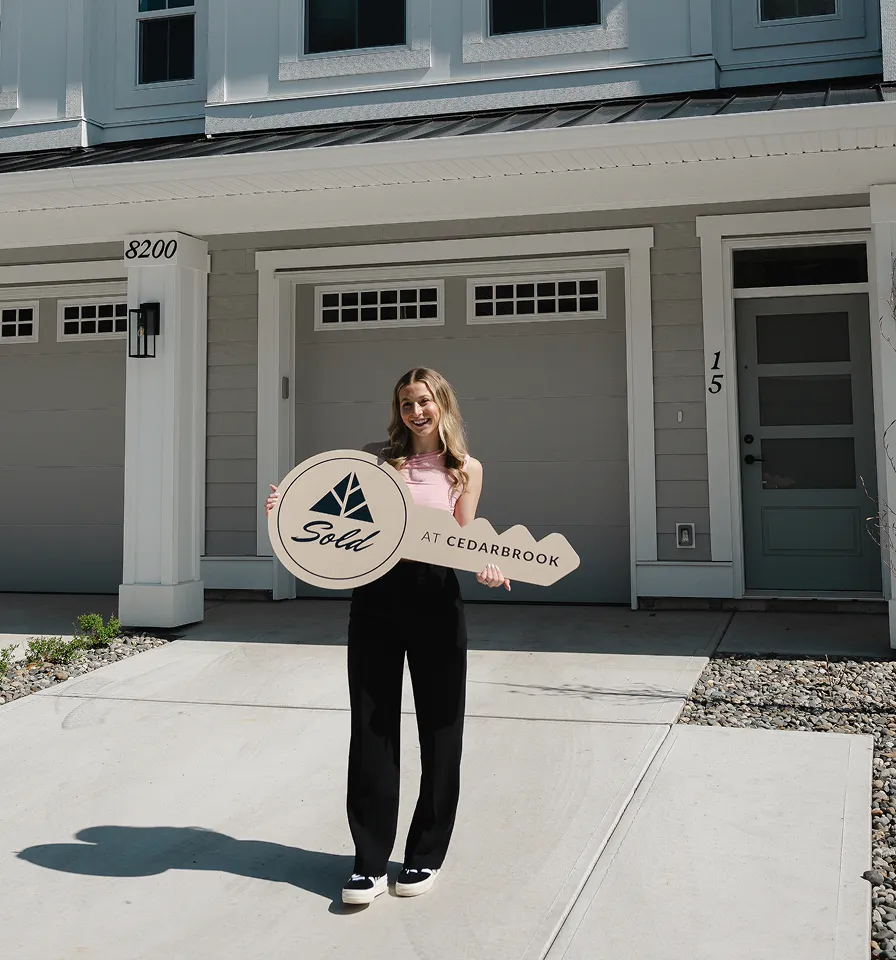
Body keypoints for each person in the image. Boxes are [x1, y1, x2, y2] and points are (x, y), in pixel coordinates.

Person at [266, 367, 510, 906]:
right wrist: (285, 508)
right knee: (372, 727)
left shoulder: (467, 470)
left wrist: (489, 564)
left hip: (435, 596)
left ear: (442, 404)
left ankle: (426, 854)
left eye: (424, 401)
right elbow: (333, 512)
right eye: (405, 403)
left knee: (441, 729)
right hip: (376, 596)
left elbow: (465, 539)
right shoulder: (377, 458)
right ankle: (369, 863)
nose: (415, 412)